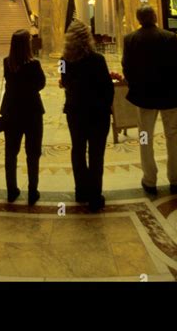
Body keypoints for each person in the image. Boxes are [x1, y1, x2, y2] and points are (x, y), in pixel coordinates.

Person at [122, 5, 177, 196]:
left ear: (138, 19)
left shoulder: (130, 39)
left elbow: (127, 68)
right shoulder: (169, 37)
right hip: (170, 96)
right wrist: (175, 87)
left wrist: (136, 88)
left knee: (145, 138)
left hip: (144, 97)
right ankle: (175, 179)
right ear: (155, 16)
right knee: (173, 138)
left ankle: (149, 180)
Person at [61, 20, 114, 212]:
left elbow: (65, 82)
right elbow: (108, 89)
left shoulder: (63, 61)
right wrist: (106, 107)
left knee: (78, 150)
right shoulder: (97, 59)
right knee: (96, 154)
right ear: (87, 38)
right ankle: (94, 196)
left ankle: (80, 191)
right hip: (98, 113)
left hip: (75, 112)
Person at [1, 29, 45, 205]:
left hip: (11, 111)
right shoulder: (34, 64)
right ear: (27, 45)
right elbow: (40, 84)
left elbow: (10, 82)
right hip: (32, 112)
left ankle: (12, 190)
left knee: (10, 153)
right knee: (33, 153)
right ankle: (32, 191)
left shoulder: (6, 62)